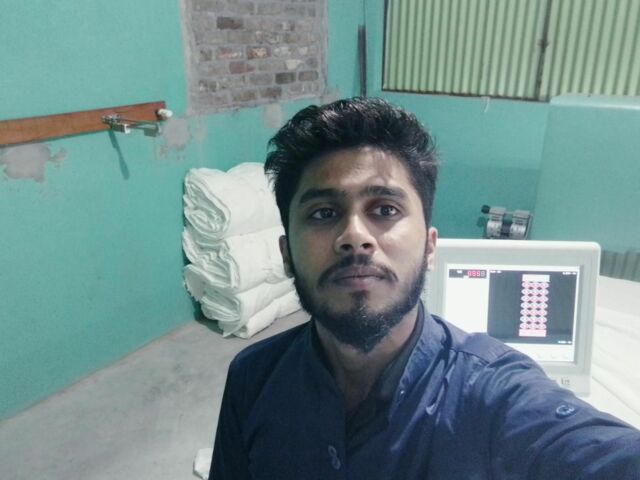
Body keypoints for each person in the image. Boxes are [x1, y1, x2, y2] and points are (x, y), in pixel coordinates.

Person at [209, 97, 640, 479]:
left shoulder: (492, 396)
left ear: (430, 246)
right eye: (323, 213)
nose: (354, 236)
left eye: (384, 209)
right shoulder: (253, 378)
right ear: (286, 253)